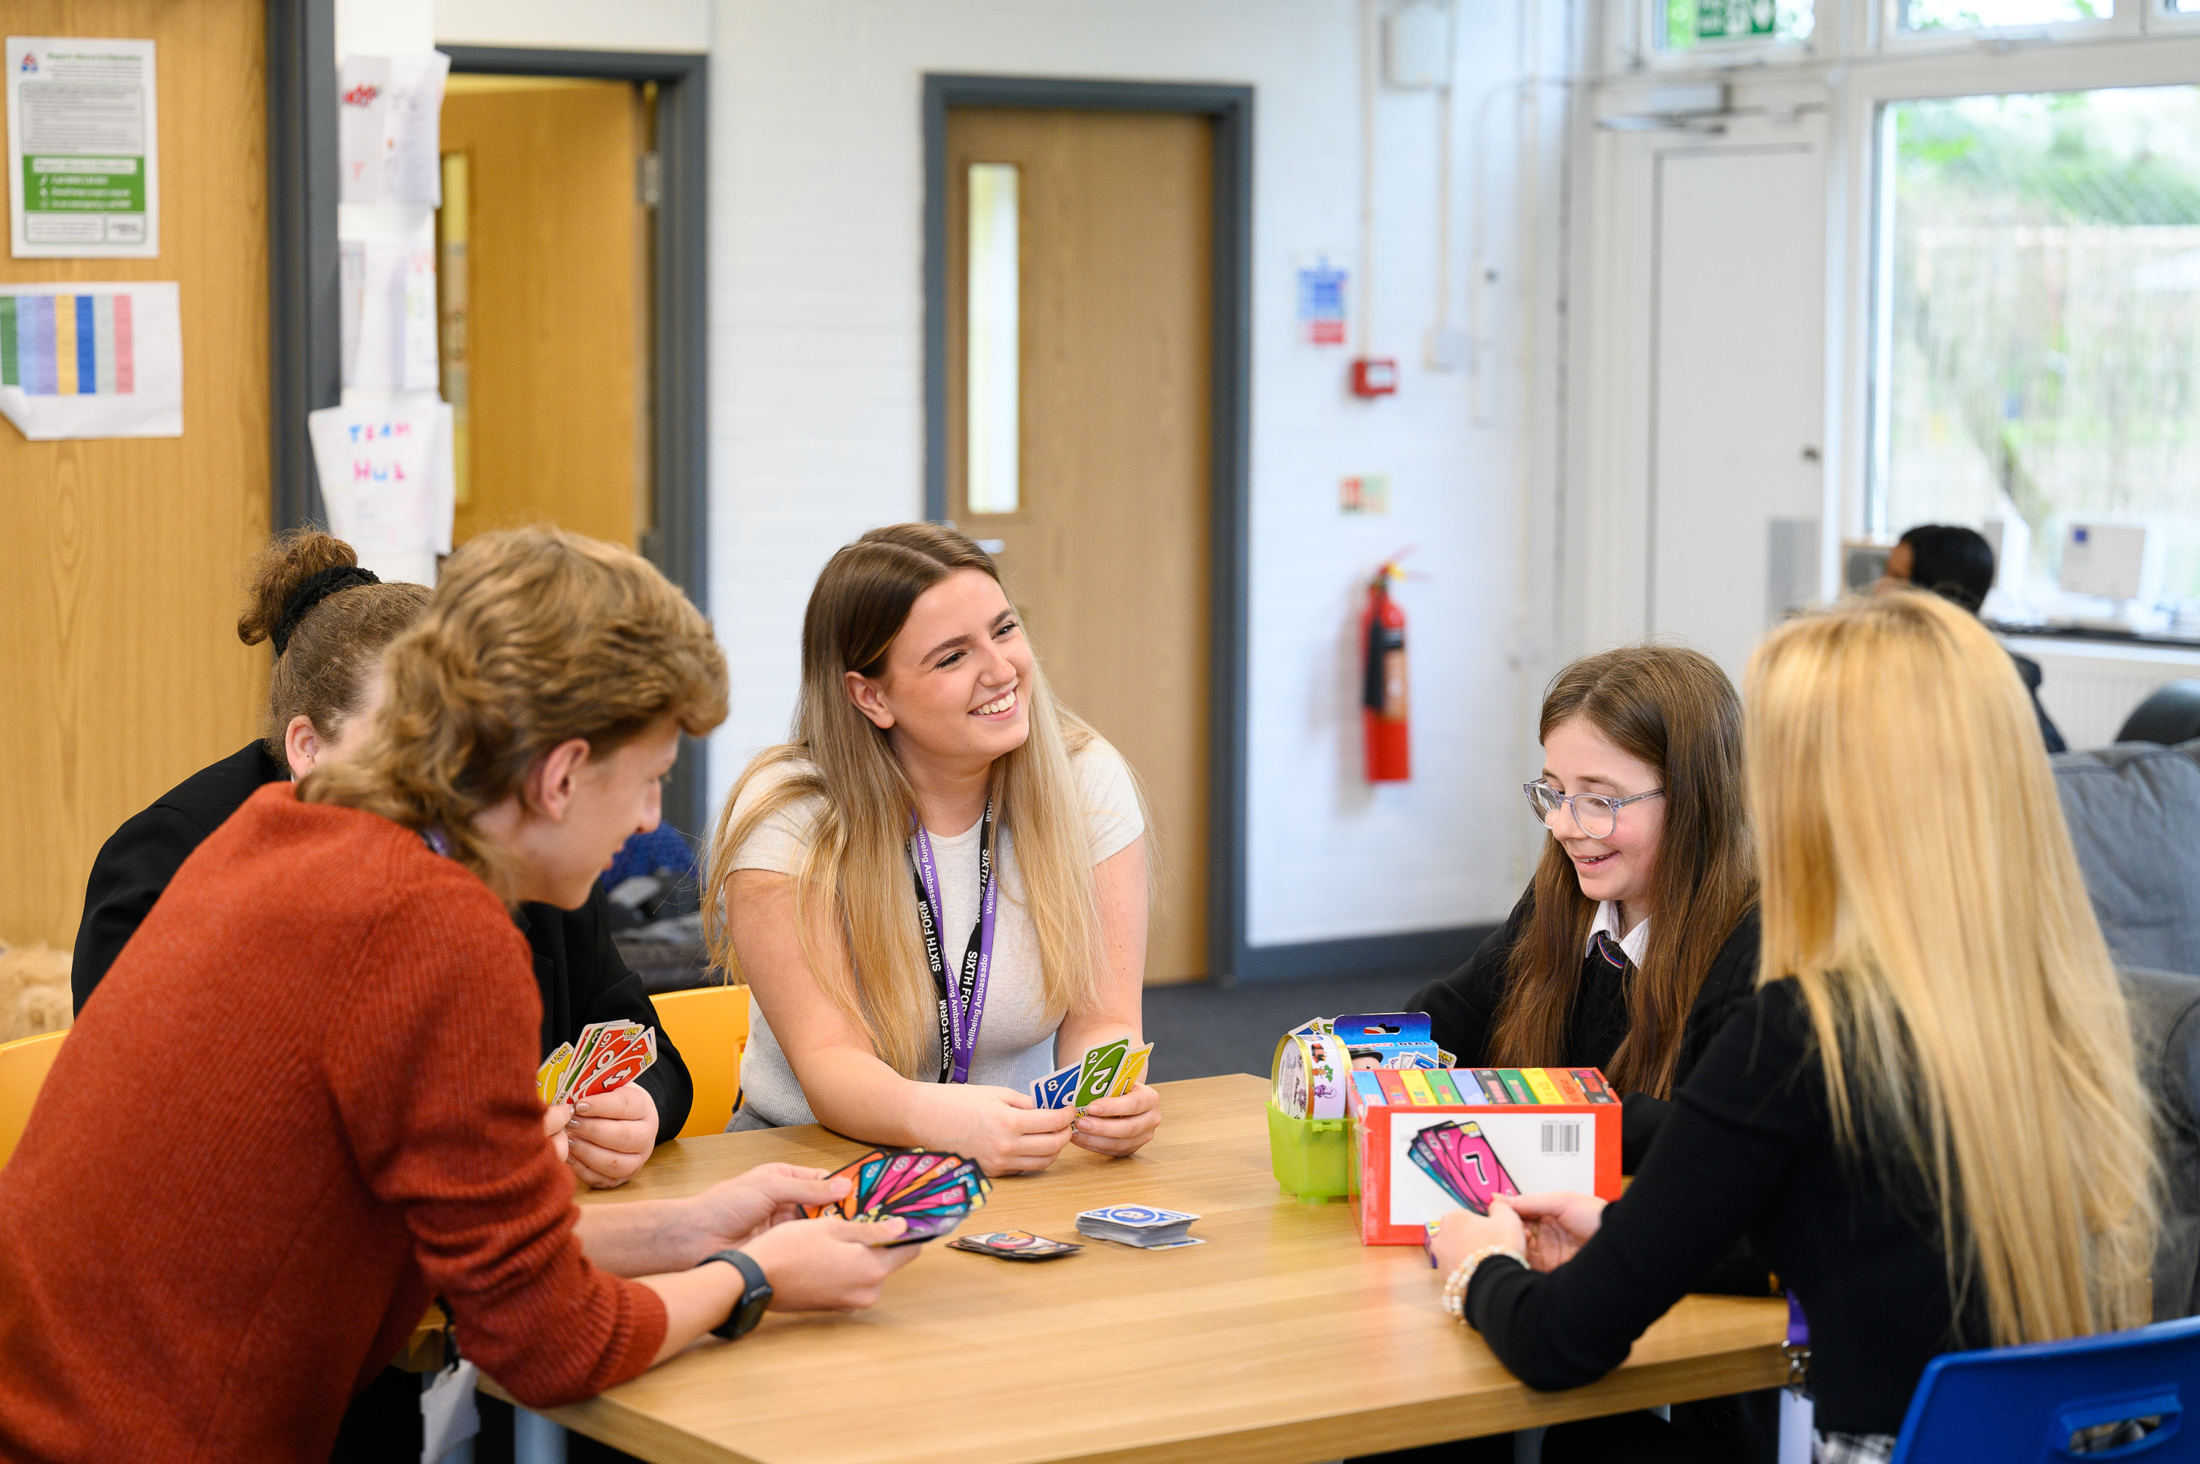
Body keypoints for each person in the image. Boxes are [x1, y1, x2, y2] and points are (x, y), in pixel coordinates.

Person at [0, 527, 920, 1464]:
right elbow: (551, 1343)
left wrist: (694, 1225)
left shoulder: (281, 830)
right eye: (648, 782)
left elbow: (480, 1258)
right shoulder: (437, 930)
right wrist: (752, 1275)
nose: (650, 822)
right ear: (560, 776)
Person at [1430, 590, 2159, 1463]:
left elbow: (1558, 1343)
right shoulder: (2062, 1010)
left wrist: (1481, 1261)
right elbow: (1877, 1244)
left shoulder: (1803, 1031)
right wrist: (1639, 1226)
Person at [70, 530, 695, 1187]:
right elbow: (156, 1124)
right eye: (412, 743)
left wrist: (637, 1111)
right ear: (308, 747)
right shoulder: (174, 858)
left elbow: (647, 1049)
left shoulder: (519, 845)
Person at [708, 523, 1159, 1176]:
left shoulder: (1086, 778)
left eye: (1004, 630)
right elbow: (830, 1062)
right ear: (871, 695)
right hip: (816, 1163)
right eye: (952, 658)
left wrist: (1112, 1097)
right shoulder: (790, 817)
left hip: (1019, 1161)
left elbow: (1105, 1019)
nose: (1001, 670)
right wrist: (950, 1119)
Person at [1409, 645, 1759, 1173]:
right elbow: (1450, 1019)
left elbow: (1714, 1144)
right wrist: (1354, 1060)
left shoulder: (1753, 950)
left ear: (1694, 798)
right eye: (1554, 794)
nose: (1564, 827)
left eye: (1600, 800)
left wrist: (1539, 1105)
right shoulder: (1565, 895)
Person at [1880, 522, 2066, 752]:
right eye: (1886, 572)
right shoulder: (1880, 659)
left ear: (1938, 592)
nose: (1880, 587)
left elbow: (2050, 761)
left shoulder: (1999, 675)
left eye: (1897, 578)